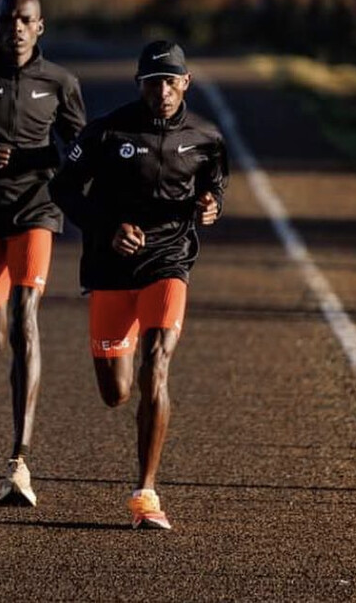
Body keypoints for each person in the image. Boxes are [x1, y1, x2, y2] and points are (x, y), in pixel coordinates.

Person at [49, 39, 227, 532]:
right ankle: (123, 362)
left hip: (169, 261)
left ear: (185, 83)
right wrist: (107, 227)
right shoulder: (107, 132)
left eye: (170, 81)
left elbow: (214, 185)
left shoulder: (207, 137)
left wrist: (211, 205)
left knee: (158, 365)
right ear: (139, 84)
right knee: (116, 391)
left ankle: (146, 492)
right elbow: (63, 187)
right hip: (110, 266)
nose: (162, 91)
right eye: (152, 82)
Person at [0, 0, 85, 506]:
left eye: (25, 20)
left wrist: (36, 160)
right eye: (7, 19)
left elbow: (80, 149)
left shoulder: (60, 83)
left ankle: (19, 460)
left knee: (26, 314)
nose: (16, 28)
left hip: (36, 210)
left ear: (39, 26)